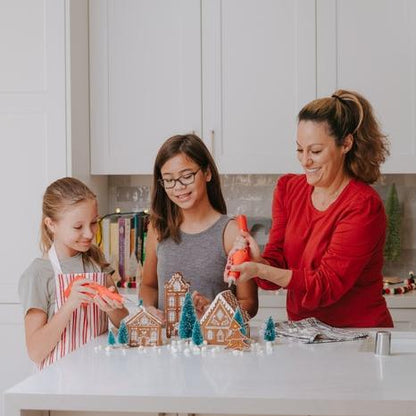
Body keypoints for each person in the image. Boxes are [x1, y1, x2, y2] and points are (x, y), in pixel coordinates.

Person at [227, 89, 393, 328]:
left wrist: (260, 270)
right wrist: (258, 260)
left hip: (357, 335)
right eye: (299, 149)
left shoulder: (363, 206)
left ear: (346, 143)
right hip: (304, 334)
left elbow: (327, 286)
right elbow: (277, 264)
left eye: (315, 151)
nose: (305, 161)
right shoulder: (288, 189)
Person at [140, 134, 258, 320]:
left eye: (186, 176)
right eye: (169, 180)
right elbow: (149, 286)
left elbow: (249, 303)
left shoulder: (231, 232)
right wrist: (148, 309)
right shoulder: (158, 228)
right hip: (166, 345)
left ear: (207, 173)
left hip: (212, 345)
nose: (178, 187)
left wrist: (215, 310)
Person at [18, 177, 128, 369]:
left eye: (94, 223)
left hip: (99, 375)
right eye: (78, 227)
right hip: (58, 386)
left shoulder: (95, 261)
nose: (89, 234)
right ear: (51, 224)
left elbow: (124, 323)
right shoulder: (38, 274)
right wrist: (69, 305)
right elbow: (36, 352)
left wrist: (111, 308)